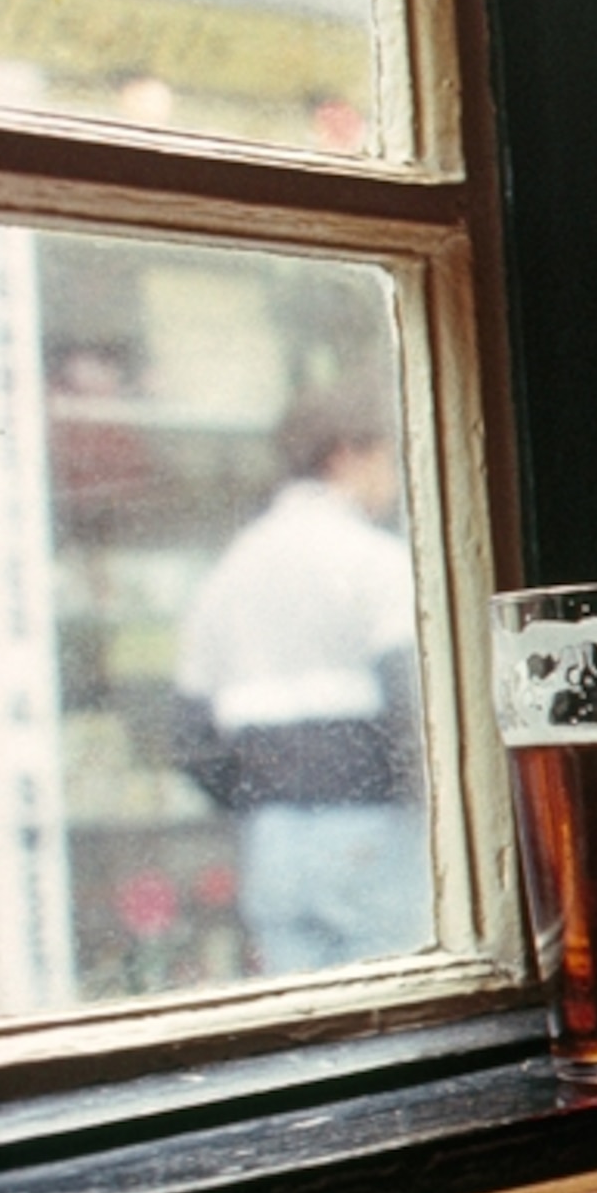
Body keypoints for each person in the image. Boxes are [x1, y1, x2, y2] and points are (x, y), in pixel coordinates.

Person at [175, 384, 430, 974]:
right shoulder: (374, 561)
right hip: (372, 830)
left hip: (271, 840)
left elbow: (188, 739)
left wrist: (263, 796)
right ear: (346, 454)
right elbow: (415, 711)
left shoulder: (227, 571)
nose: (393, 480)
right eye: (389, 458)